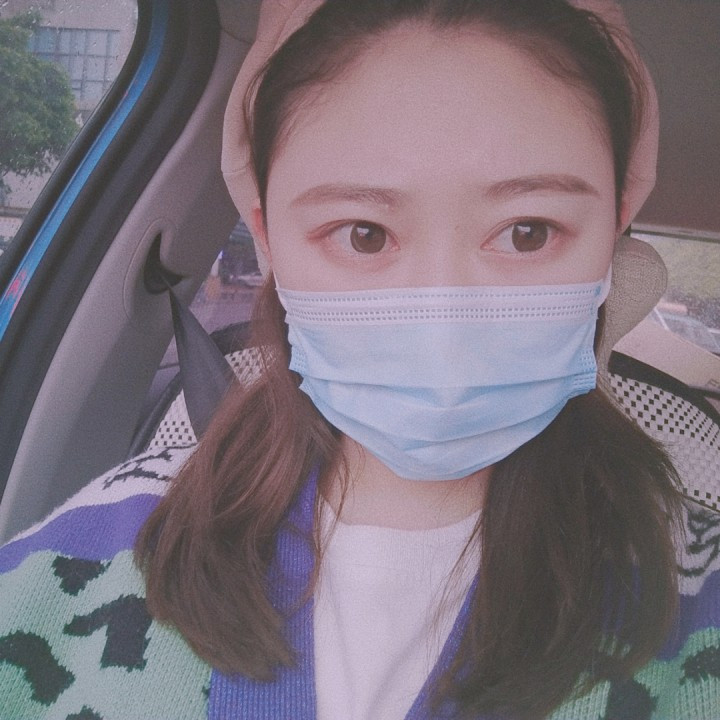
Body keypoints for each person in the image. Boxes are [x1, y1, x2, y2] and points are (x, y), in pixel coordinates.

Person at [1, 1, 718, 718]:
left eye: (528, 232)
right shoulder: (73, 564)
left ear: (612, 235)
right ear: (269, 240)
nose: (443, 323)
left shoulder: (696, 597)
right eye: (364, 235)